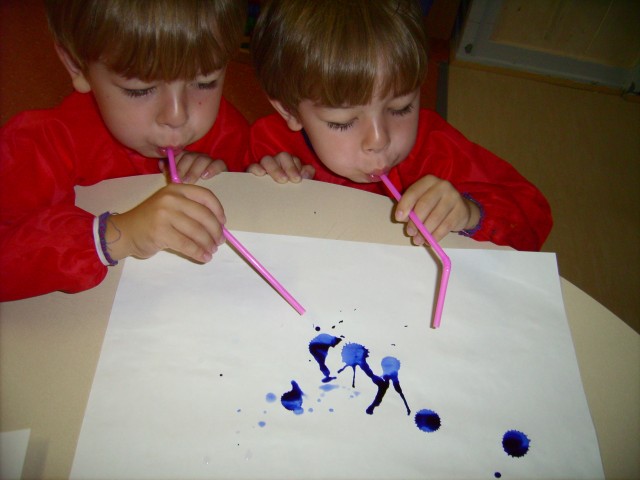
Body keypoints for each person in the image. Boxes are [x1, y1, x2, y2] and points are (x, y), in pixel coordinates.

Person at [246, 0, 552, 252]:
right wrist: (260, 187)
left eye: (401, 107)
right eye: (343, 123)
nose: (379, 140)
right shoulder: (269, 144)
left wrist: (470, 214)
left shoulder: (436, 149)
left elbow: (532, 222)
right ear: (289, 110)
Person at [0, 0, 250, 301]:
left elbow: (256, 200)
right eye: (139, 89)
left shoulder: (226, 129)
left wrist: (231, 177)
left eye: (205, 82)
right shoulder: (39, 146)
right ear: (76, 65)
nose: (176, 116)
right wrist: (115, 235)